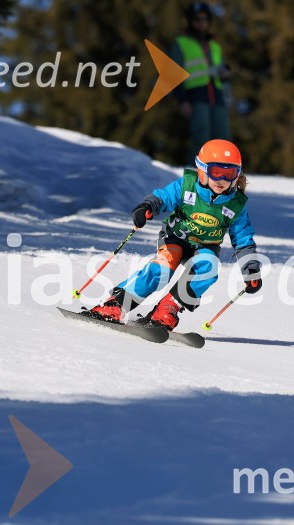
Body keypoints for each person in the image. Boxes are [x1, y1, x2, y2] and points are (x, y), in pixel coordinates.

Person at [85, 139, 261, 331]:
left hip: (205, 246)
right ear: (202, 170)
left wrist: (250, 270)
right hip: (176, 237)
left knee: (208, 269)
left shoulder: (236, 205)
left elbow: (243, 239)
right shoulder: (187, 186)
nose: (222, 180)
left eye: (229, 174)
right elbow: (163, 197)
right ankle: (116, 304)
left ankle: (168, 309)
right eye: (216, 172)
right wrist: (148, 206)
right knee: (162, 270)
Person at [172, 2, 232, 162]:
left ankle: (223, 178)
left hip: (217, 95)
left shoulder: (214, 45)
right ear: (191, 20)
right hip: (196, 95)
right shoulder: (182, 43)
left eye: (205, 19)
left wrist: (225, 77)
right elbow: (173, 74)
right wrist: (182, 100)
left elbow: (222, 70)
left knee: (223, 139)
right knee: (201, 137)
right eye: (197, 19)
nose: (202, 22)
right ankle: (193, 179)